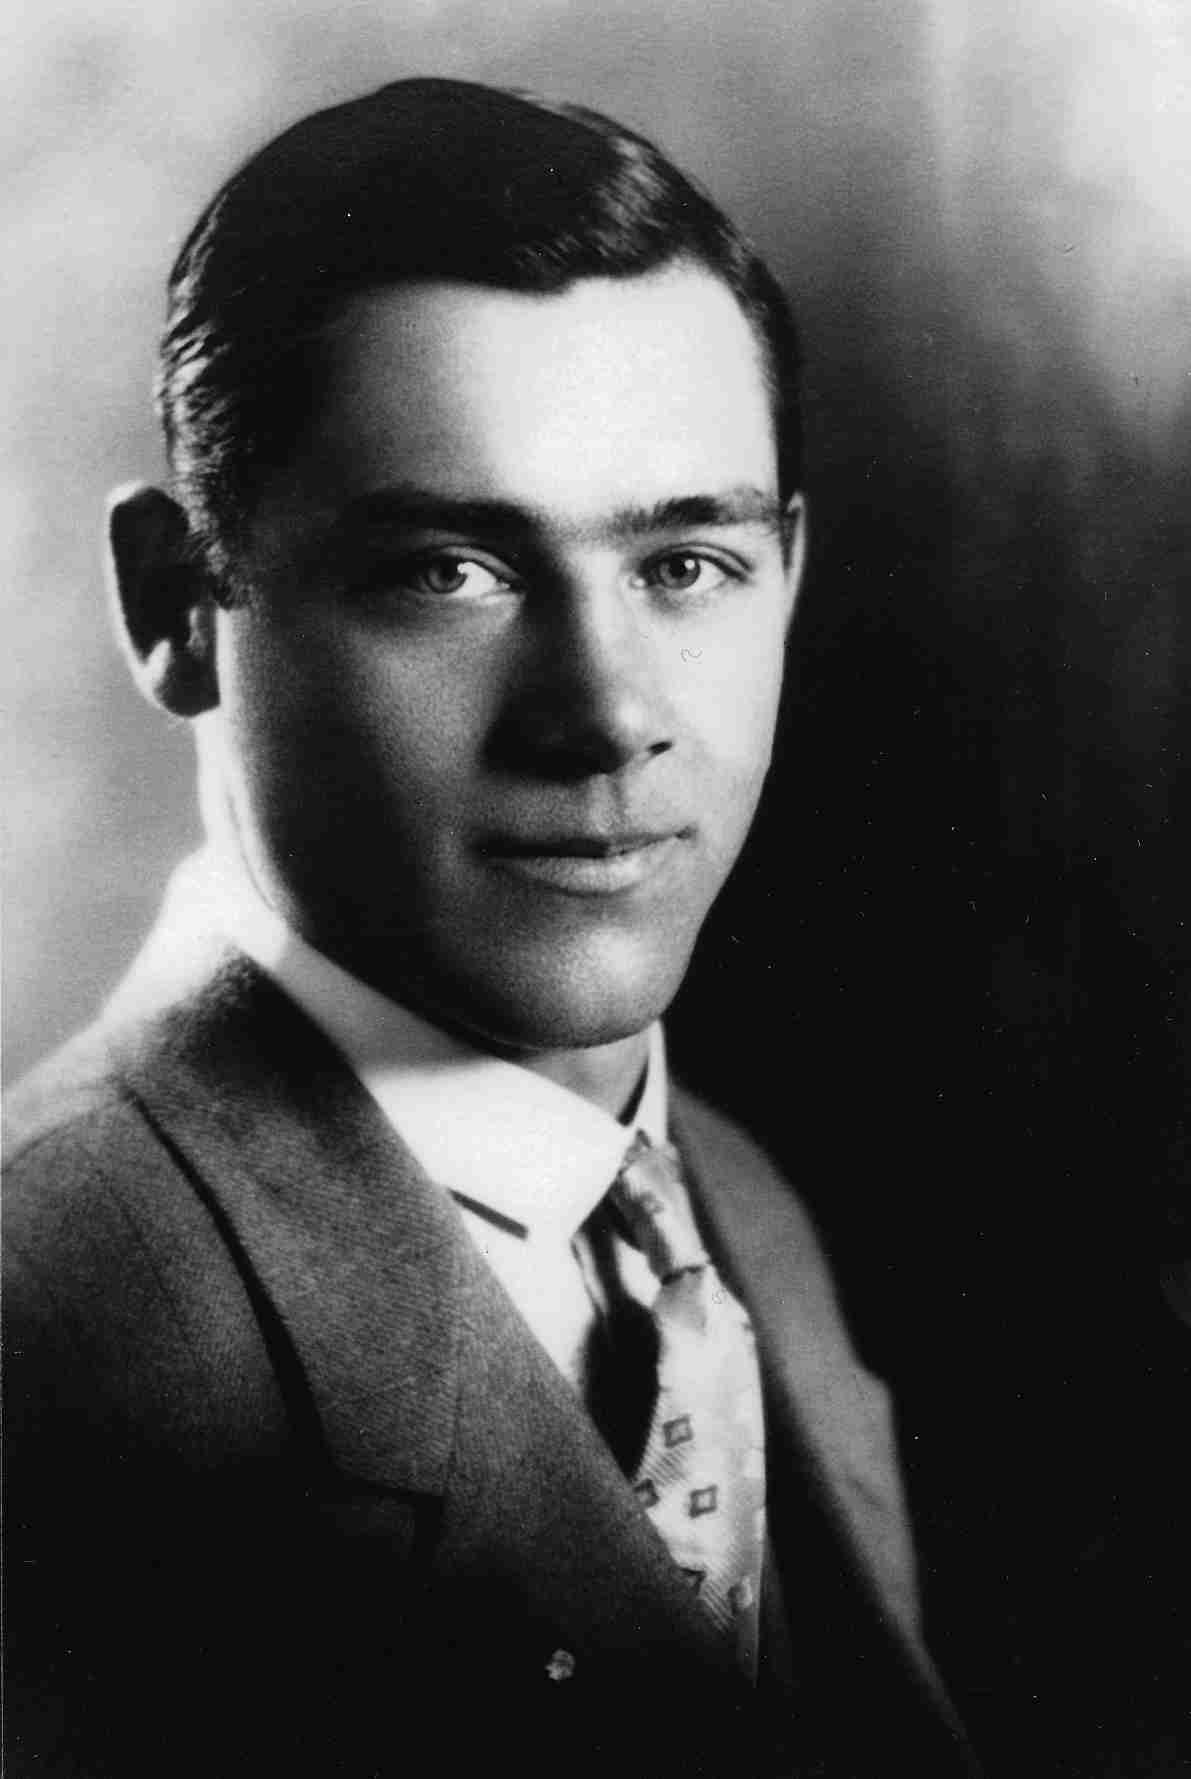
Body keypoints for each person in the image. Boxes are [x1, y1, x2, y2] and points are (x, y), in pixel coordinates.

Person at [3, 77, 977, 1778]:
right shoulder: (47, 1341)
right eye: (448, 568)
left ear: (790, 575)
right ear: (176, 608)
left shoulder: (733, 1211)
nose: (607, 715)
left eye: (685, 565)